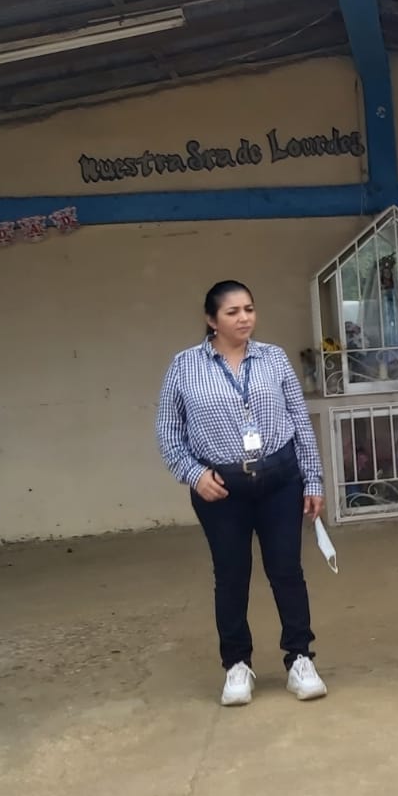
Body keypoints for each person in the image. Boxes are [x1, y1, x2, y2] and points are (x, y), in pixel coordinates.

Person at [156, 280, 329, 707]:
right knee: (231, 575)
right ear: (211, 319)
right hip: (220, 490)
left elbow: (300, 421)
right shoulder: (184, 366)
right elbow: (169, 433)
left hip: (280, 480)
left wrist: (312, 480)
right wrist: (194, 474)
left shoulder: (273, 358)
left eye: (249, 309)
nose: (244, 318)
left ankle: (300, 658)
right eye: (232, 312)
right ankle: (236, 664)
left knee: (286, 570)